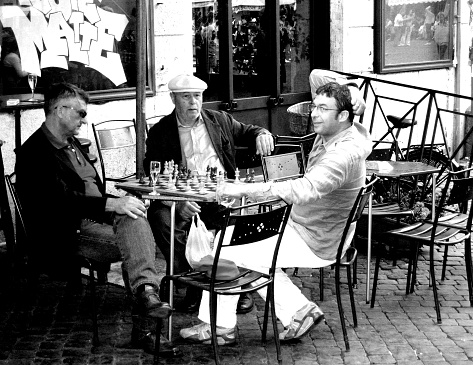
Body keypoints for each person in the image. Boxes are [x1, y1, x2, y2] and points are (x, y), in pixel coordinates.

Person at [179, 81, 372, 345]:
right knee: (230, 239)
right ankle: (298, 311)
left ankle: (219, 327)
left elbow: (306, 188)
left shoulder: (343, 154)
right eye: (314, 106)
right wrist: (354, 92)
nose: (314, 114)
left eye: (323, 109)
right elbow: (320, 75)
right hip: (306, 226)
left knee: (226, 251)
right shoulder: (340, 132)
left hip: (316, 239)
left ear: (343, 116)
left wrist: (246, 190)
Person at [14, 83, 178, 356]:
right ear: (60, 110)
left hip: (95, 221)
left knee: (133, 221)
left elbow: (91, 191)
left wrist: (117, 206)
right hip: (66, 232)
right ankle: (145, 319)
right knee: (136, 239)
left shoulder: (73, 143)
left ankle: (146, 293)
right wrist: (113, 203)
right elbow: (59, 202)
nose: (84, 119)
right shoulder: (34, 154)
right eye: (80, 113)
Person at [143, 74, 275, 315]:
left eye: (197, 96)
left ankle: (238, 284)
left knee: (240, 221)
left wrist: (262, 134)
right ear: (173, 98)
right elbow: (155, 174)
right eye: (186, 97)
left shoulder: (219, 120)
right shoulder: (161, 132)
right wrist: (177, 202)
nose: (193, 102)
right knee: (160, 218)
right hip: (185, 197)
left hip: (219, 196)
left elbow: (249, 130)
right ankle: (192, 280)